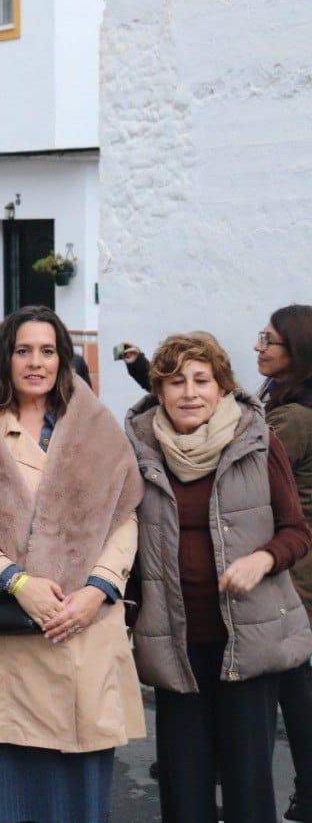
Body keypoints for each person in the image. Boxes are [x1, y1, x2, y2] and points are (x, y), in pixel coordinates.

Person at [0, 305, 144, 823]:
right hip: (10, 632)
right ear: (6, 356)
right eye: (23, 350)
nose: (36, 362)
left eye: (47, 351)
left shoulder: (93, 422)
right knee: (8, 784)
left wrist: (97, 590)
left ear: (63, 358)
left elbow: (125, 514)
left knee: (80, 779)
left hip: (83, 626)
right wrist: (15, 581)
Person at [124, 331, 312, 823]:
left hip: (248, 641)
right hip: (176, 642)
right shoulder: (137, 451)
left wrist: (263, 559)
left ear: (223, 388)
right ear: (158, 391)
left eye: (202, 380)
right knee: (184, 790)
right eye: (176, 381)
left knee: (249, 788)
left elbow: (297, 530)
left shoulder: (258, 440)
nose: (189, 392)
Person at [257, 306, 312, 822]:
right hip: (294, 565)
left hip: (293, 572)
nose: (259, 347)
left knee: (292, 686)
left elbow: (250, 474)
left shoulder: (292, 418)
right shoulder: (286, 405)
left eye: (270, 341)